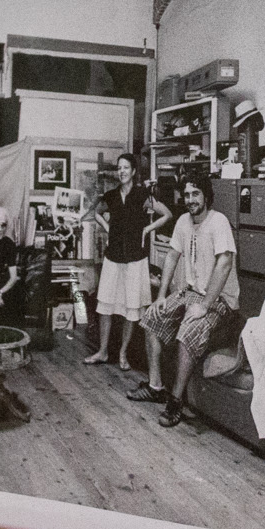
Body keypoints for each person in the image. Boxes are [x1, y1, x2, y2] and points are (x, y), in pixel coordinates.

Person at [140, 178, 239, 428]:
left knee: (188, 331)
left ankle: (175, 401)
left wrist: (205, 305)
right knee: (151, 318)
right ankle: (155, 386)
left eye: (196, 194)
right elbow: (172, 256)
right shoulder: (183, 221)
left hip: (219, 301)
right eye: (186, 195)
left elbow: (224, 264)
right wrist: (161, 296)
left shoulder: (219, 222)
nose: (191, 199)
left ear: (206, 196)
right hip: (191, 292)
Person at [85, 153, 170, 372]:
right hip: (113, 257)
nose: (121, 171)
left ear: (133, 171)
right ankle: (103, 351)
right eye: (119, 168)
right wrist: (108, 228)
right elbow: (97, 213)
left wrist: (146, 229)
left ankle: (122, 353)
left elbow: (166, 214)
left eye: (126, 168)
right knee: (105, 306)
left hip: (135, 259)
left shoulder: (143, 194)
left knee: (132, 308)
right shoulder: (112, 196)